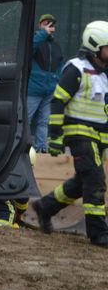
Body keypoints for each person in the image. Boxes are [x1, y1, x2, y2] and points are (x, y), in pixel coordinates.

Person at [33, 21, 108, 247]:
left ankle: (45, 207)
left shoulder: (105, 74)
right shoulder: (75, 69)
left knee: (81, 182)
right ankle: (99, 233)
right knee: (95, 182)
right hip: (80, 135)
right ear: (95, 46)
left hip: (99, 137)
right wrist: (55, 136)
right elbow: (58, 102)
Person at [28, 14, 64, 153]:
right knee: (27, 119)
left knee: (44, 122)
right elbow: (29, 49)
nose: (49, 27)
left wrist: (57, 80)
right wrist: (43, 33)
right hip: (34, 89)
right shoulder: (36, 40)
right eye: (46, 24)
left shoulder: (55, 46)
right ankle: (20, 147)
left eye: (51, 25)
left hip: (50, 91)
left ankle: (41, 148)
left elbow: (60, 64)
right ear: (40, 25)